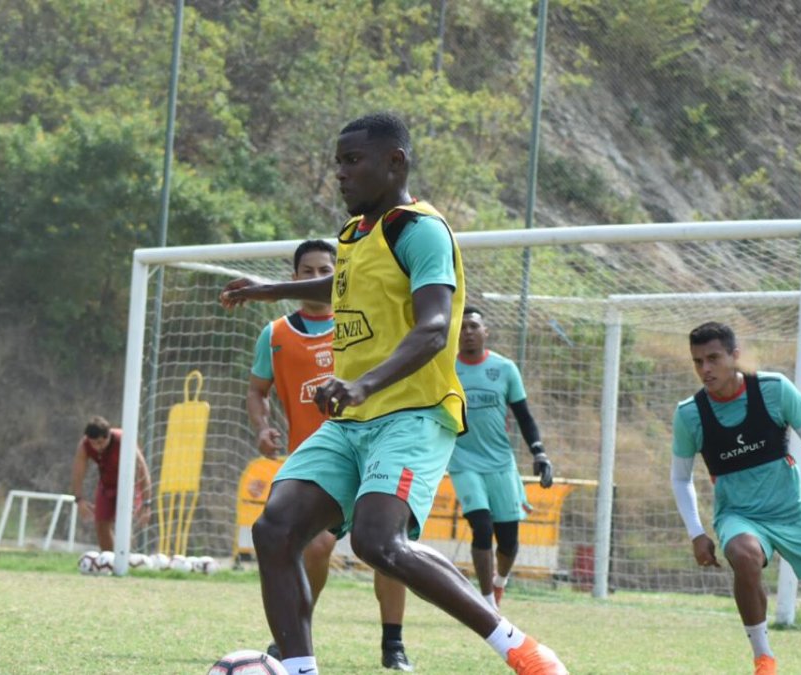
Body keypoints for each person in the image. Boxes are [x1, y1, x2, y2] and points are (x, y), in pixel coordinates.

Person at [220, 112, 566, 675]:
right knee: (275, 528)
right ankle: (300, 669)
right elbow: (343, 284)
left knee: (379, 544)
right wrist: (272, 289)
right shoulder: (355, 235)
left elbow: (433, 328)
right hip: (352, 423)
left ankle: (521, 650)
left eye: (352, 161)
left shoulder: (420, 229)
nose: (340, 173)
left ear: (395, 162)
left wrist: (359, 384)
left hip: (413, 415)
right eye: (338, 162)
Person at [247, 239, 414, 671]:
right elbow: (257, 390)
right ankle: (295, 633)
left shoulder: (358, 324)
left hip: (372, 452)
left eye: (326, 267)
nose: (317, 275)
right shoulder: (276, 334)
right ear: (296, 274)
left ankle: (392, 644)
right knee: (315, 546)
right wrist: (263, 426)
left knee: (386, 547)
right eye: (308, 270)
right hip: (316, 465)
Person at [671, 321, 801, 675]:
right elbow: (680, 477)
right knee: (743, 554)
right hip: (740, 516)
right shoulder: (689, 414)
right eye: (698, 362)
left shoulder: (775, 389)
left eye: (713, 358)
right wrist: (697, 533)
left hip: (794, 512)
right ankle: (764, 660)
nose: (705, 369)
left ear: (735, 356)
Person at [450, 306, 554, 610]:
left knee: (508, 539)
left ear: (486, 332)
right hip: (462, 460)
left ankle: (499, 584)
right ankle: (486, 603)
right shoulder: (445, 369)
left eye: (473, 326)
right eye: (462, 327)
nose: (467, 332)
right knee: (481, 526)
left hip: (500, 462)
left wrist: (539, 453)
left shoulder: (505, 369)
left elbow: (524, 416)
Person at [70, 415, 153, 553]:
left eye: (102, 442)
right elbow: (78, 473)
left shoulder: (123, 440)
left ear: (109, 436)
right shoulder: (84, 446)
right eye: (94, 443)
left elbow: (142, 470)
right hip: (106, 487)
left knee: (124, 525)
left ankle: (127, 560)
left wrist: (147, 503)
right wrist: (79, 500)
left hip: (129, 486)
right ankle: (108, 561)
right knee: (101, 525)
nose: (98, 447)